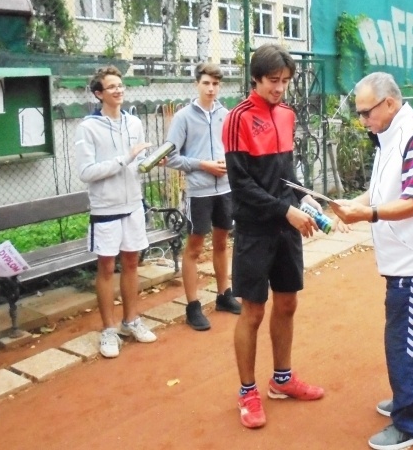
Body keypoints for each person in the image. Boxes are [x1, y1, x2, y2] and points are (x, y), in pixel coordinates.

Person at [331, 72, 413, 450]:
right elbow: (385, 188)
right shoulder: (389, 136)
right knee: (407, 337)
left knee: (406, 342)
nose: (363, 120)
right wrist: (358, 202)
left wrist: (367, 215)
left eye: (366, 112)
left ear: (389, 103)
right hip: (404, 259)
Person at [222, 44, 325, 429]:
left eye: (285, 81)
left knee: (287, 305)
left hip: (287, 226)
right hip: (254, 230)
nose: (280, 88)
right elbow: (241, 185)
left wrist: (304, 196)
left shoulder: (287, 115)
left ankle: (282, 380)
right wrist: (286, 209)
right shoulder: (237, 118)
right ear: (256, 79)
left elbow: (285, 175)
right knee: (253, 311)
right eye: (273, 81)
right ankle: (247, 392)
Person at [74, 66, 157, 358]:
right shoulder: (87, 128)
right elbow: (86, 172)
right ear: (99, 94)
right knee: (107, 268)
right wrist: (126, 158)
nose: (118, 90)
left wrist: (149, 162)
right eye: (111, 87)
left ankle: (131, 320)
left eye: (120, 85)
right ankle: (108, 330)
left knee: (132, 263)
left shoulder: (134, 123)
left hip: (133, 204)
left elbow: (139, 161)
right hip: (105, 208)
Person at [163, 62, 241, 330]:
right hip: (199, 192)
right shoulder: (183, 117)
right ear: (197, 84)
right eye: (206, 83)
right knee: (195, 248)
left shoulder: (226, 114)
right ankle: (193, 306)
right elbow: (170, 157)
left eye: (216, 84)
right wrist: (203, 165)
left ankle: (224, 295)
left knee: (221, 243)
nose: (211, 88)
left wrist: (228, 166)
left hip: (226, 190)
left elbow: (234, 149)